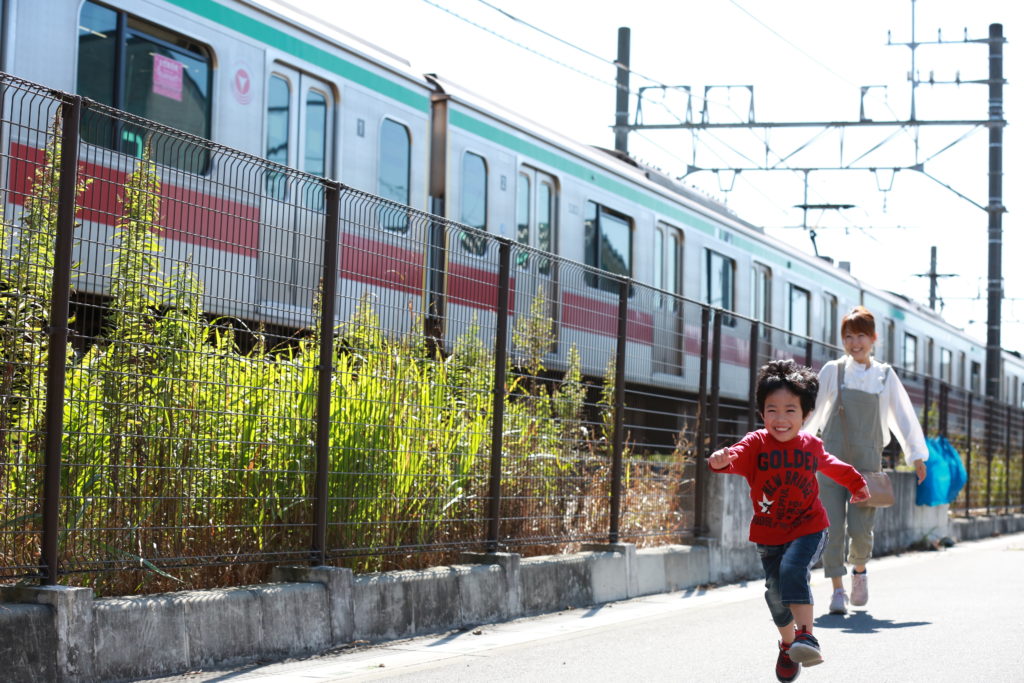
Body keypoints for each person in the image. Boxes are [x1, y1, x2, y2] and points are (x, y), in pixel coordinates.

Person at [708, 359, 869, 682]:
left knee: (793, 568)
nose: (780, 419)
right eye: (772, 410)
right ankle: (788, 644)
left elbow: (833, 464)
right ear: (761, 412)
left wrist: (855, 482)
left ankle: (807, 635)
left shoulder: (810, 444)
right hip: (768, 535)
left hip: (809, 527)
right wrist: (719, 460)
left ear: (806, 413)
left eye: (790, 410)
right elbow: (732, 457)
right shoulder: (756, 443)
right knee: (775, 593)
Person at [803, 305, 928, 615]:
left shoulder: (885, 376)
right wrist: (797, 446)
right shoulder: (834, 370)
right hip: (831, 462)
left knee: (861, 529)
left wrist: (917, 455)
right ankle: (836, 590)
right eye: (848, 336)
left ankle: (859, 571)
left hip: (868, 464)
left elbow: (903, 416)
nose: (854, 343)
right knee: (830, 526)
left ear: (873, 339)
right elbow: (814, 412)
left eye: (860, 336)